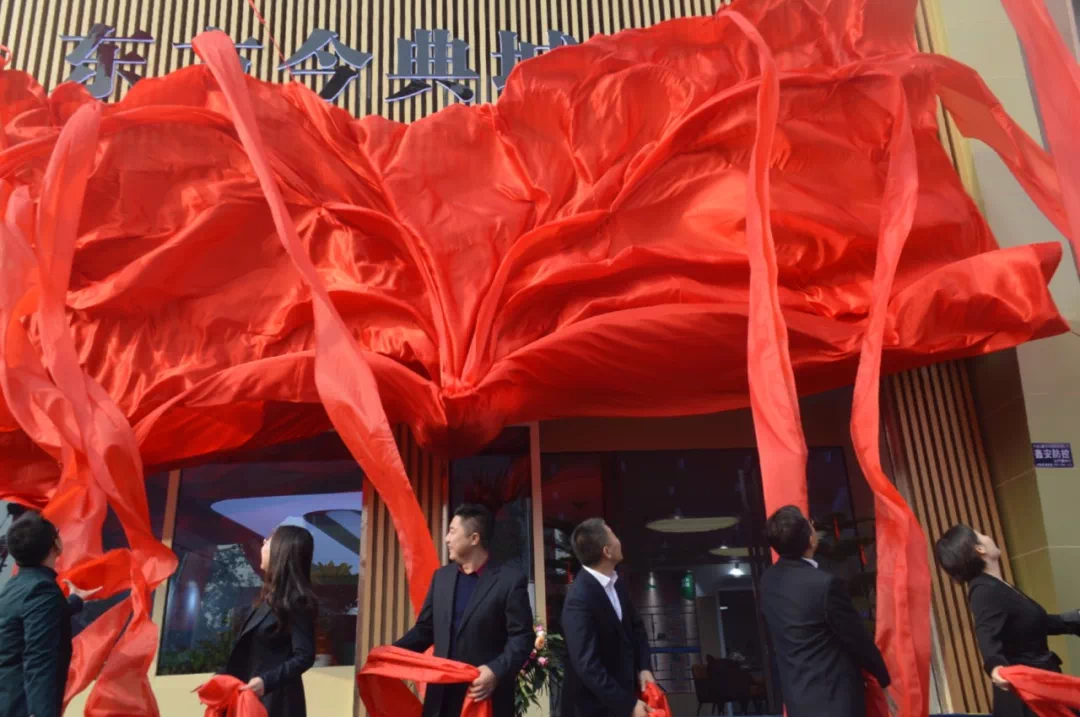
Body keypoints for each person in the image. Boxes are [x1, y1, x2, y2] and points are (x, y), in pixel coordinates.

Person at [394, 504, 533, 717]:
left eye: (452, 531)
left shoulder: (509, 581)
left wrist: (495, 671)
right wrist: (391, 653)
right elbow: (425, 630)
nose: (446, 539)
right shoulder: (441, 578)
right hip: (440, 700)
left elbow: (522, 637)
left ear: (474, 538)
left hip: (483, 697)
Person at [935, 524, 1080, 717]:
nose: (987, 536)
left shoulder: (998, 586)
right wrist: (996, 667)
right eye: (981, 534)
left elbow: (1037, 623)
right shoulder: (983, 590)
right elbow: (986, 634)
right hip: (1026, 697)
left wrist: (1075, 619)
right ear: (980, 549)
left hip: (1041, 685)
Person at [759, 505, 890, 717]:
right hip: (836, 700)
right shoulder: (825, 585)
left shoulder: (768, 582)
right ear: (810, 539)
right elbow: (857, 638)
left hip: (798, 702)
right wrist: (884, 679)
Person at [0, 511, 101, 717]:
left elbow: (34, 619)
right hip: (22, 706)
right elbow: (39, 660)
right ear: (55, 544)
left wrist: (75, 601)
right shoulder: (41, 590)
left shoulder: (14, 587)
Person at [560, 517, 655, 717]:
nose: (619, 540)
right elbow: (587, 665)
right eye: (613, 535)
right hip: (592, 709)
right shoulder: (578, 598)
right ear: (607, 551)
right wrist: (627, 704)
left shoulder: (616, 583)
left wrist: (644, 667)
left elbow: (636, 628)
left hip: (623, 700)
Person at [224, 524, 318, 717]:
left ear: (282, 550)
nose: (264, 542)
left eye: (269, 539)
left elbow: (304, 656)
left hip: (276, 704)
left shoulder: (296, 601)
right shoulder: (265, 601)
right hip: (249, 701)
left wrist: (266, 682)